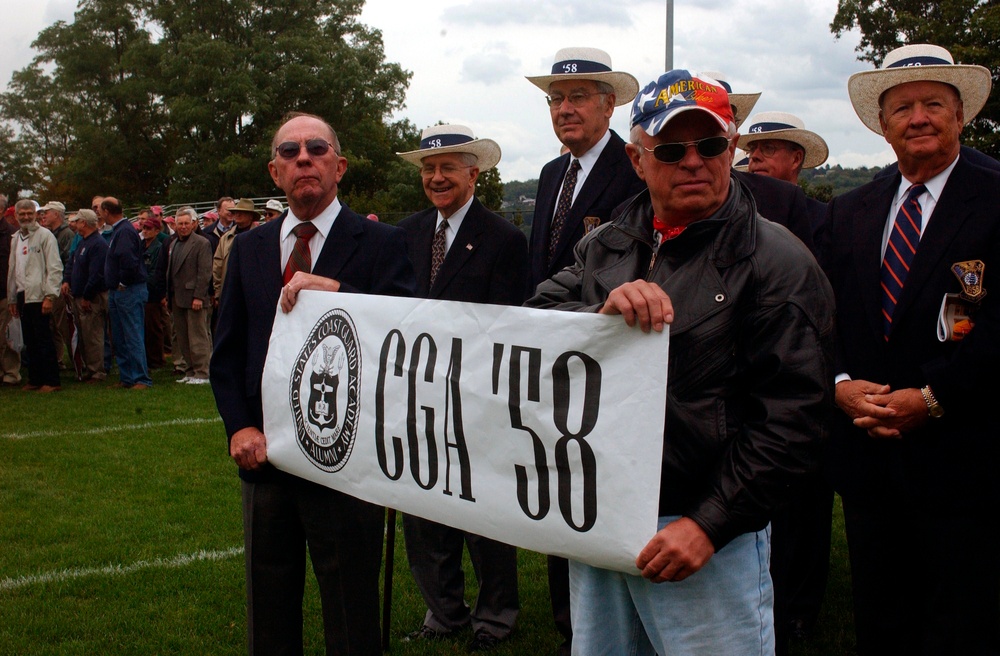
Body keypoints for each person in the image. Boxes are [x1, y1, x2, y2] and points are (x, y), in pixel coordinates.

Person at [526, 70, 835, 655]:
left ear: (732, 148)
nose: (693, 161)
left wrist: (710, 523)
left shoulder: (777, 261)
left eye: (711, 144)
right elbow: (534, 316)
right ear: (637, 160)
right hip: (604, 517)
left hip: (703, 538)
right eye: (671, 149)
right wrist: (601, 309)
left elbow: (796, 419)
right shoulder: (607, 244)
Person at [210, 112, 416, 655]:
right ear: (274, 171)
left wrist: (339, 292)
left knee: (351, 609)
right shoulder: (250, 249)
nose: (304, 157)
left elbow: (406, 334)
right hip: (267, 459)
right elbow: (227, 353)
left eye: (317, 148)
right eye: (290, 151)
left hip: (348, 463)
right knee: (269, 607)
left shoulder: (381, 243)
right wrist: (240, 427)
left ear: (339, 165)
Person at [819, 43, 1000, 655]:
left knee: (962, 618)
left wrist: (934, 397)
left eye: (933, 104)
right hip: (870, 458)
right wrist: (839, 384)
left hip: (968, 460)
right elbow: (824, 315)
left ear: (960, 115)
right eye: (902, 108)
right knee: (883, 615)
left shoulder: (995, 195)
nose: (917, 118)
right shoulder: (850, 210)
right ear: (883, 123)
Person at [395, 124, 527, 652]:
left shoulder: (505, 239)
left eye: (449, 167)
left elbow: (511, 325)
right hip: (415, 394)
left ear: (474, 173)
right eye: (429, 168)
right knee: (421, 507)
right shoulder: (405, 234)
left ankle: (495, 617)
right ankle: (443, 610)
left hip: (478, 398)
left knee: (484, 510)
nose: (437, 176)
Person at [526, 47, 647, 294]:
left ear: (609, 105)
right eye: (556, 99)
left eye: (578, 97)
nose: (565, 109)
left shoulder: (634, 170)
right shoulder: (550, 173)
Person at [7, 199, 63, 392]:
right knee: (30, 340)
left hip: (39, 295)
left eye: (29, 213)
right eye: (21, 214)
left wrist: (50, 296)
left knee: (43, 338)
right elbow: (13, 269)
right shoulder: (16, 238)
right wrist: (12, 297)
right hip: (23, 295)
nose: (26, 217)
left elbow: (54, 267)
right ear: (16, 216)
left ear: (36, 214)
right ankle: (36, 378)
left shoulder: (45, 236)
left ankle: (52, 380)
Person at [103, 196, 152, 389]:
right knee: (120, 336)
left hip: (128, 290)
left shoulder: (124, 232)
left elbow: (129, 262)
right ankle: (127, 377)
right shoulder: (119, 231)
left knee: (132, 334)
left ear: (107, 211)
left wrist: (122, 282)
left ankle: (141, 378)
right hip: (119, 290)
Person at [166, 210, 212, 385]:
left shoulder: (202, 243)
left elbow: (204, 272)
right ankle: (190, 370)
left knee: (198, 336)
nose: (183, 227)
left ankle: (202, 372)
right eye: (180, 224)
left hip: (194, 298)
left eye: (186, 223)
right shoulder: (173, 244)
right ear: (175, 225)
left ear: (193, 224)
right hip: (177, 298)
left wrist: (199, 296)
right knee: (183, 337)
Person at [67, 209, 110, 382]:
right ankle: (90, 368)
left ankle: (97, 371)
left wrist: (87, 296)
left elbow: (97, 274)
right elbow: (73, 263)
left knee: (93, 335)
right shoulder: (83, 242)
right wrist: (67, 281)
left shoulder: (97, 244)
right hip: (80, 294)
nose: (75, 224)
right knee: (84, 334)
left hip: (91, 297)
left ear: (84, 223)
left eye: (77, 221)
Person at [213, 198, 259, 303]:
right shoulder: (225, 238)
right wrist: (218, 293)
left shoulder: (261, 237)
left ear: (251, 216)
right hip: (229, 293)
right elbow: (217, 266)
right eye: (236, 212)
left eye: (242, 212)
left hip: (253, 294)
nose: (237, 214)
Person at [141, 215, 168, 370]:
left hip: (152, 292)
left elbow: (157, 272)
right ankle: (148, 358)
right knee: (144, 327)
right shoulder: (141, 245)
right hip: (142, 291)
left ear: (157, 230)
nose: (145, 231)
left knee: (153, 327)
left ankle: (157, 359)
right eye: (144, 228)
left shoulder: (159, 247)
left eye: (149, 228)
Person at [0, 203, 20, 386]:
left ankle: (11, 372)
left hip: (4, 291)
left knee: (6, 334)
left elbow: (14, 265)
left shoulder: (12, 234)